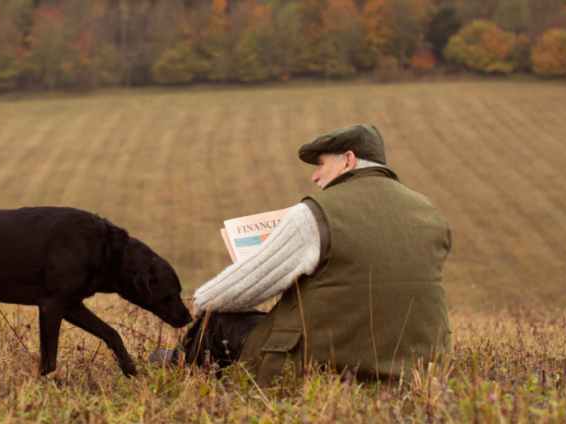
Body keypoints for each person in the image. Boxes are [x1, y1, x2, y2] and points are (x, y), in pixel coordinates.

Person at [151, 124, 452, 384]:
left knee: (218, 319)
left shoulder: (315, 214)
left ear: (347, 160)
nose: (315, 177)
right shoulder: (430, 211)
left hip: (330, 365)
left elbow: (232, 293)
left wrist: (199, 302)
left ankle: (181, 372)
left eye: (320, 164)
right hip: (420, 367)